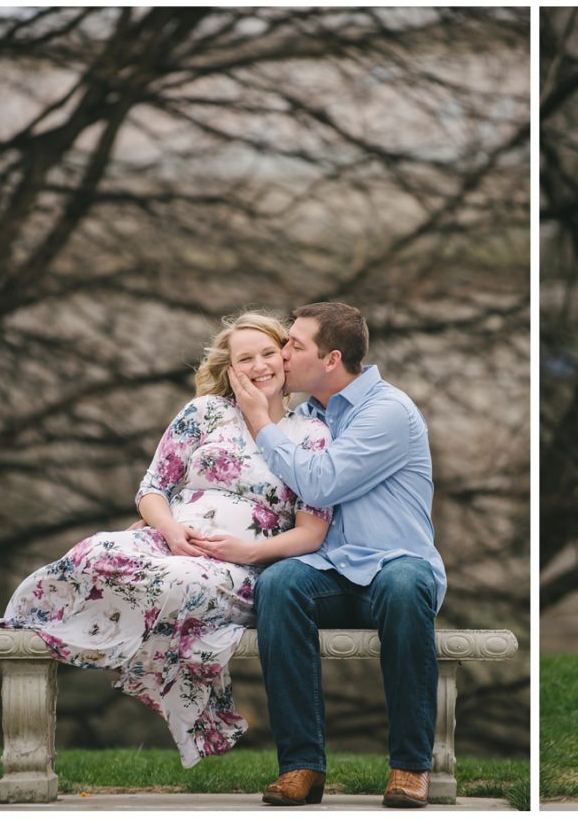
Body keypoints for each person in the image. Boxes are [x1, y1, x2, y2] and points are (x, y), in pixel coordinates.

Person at [1, 313, 332, 766]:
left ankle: (148, 659)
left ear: (286, 359)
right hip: (170, 540)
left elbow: (311, 532)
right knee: (95, 550)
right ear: (229, 369)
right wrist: (171, 531)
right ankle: (34, 627)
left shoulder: (312, 434)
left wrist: (249, 550)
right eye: (245, 358)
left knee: (177, 583)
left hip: (239, 566)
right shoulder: (204, 413)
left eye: (268, 354)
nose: (259, 366)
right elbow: (152, 488)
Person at [227, 302, 446, 810]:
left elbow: (321, 481)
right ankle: (301, 766)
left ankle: (410, 767)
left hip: (396, 566)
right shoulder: (304, 419)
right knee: (279, 585)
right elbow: (239, 484)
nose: (282, 354)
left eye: (294, 345)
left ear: (331, 359)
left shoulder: (387, 411)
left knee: (403, 584)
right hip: (328, 572)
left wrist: (261, 422)